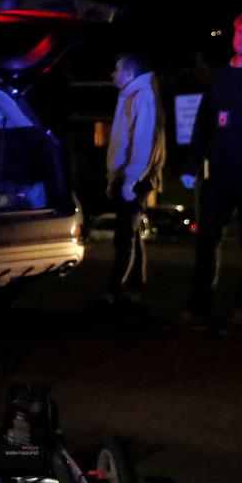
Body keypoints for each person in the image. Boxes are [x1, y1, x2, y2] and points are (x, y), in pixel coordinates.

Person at [181, 8, 242, 327]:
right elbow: (204, 121)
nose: (240, 38)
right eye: (237, 31)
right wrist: (192, 164)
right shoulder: (222, 75)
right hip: (220, 174)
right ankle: (199, 305)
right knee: (206, 238)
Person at [104, 53, 166, 304]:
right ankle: (135, 287)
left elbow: (142, 142)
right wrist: (115, 177)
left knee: (124, 235)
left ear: (129, 74)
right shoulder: (131, 95)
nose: (113, 74)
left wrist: (129, 179)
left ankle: (114, 290)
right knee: (132, 233)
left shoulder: (142, 97)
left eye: (117, 70)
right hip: (129, 175)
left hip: (134, 177)